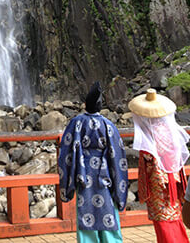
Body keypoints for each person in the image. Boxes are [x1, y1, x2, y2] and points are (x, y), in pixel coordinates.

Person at [58, 81, 128, 242]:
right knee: (109, 211)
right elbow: (117, 154)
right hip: (106, 175)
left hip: (84, 173)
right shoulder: (108, 124)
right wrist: (117, 183)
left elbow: (66, 152)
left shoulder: (76, 123)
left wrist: (69, 183)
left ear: (85, 104)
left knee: (86, 214)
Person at [128, 88, 190, 243]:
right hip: (173, 179)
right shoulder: (168, 130)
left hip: (158, 181)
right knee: (173, 215)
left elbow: (149, 157)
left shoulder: (150, 134)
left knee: (162, 219)